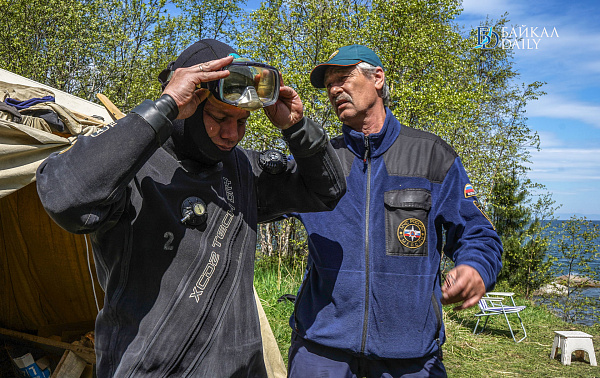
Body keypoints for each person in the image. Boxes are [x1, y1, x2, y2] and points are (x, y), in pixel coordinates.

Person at [35, 39, 346, 377]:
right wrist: (164, 106)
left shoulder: (241, 170)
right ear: (190, 103)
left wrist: (296, 128)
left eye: (242, 122)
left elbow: (326, 191)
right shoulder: (135, 165)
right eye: (220, 117)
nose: (232, 134)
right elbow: (66, 200)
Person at [287, 44, 503, 377]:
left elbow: (478, 233)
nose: (333, 90)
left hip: (409, 358)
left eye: (342, 77)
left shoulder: (432, 156)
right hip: (320, 351)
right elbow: (250, 199)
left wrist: (475, 267)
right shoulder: (319, 163)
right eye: (329, 84)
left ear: (378, 79)